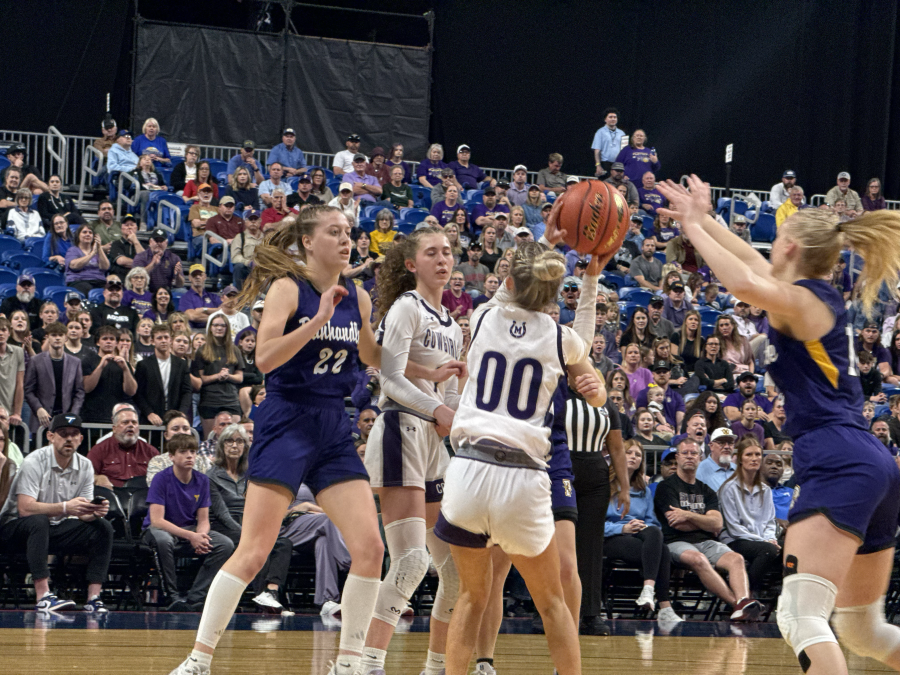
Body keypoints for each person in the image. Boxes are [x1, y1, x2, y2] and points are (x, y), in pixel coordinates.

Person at [657, 174, 900, 672]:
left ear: (787, 243)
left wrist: (693, 228)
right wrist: (703, 220)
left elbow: (745, 280)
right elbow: (749, 262)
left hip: (838, 457)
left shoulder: (808, 302)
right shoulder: (811, 294)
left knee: (798, 615)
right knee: (861, 628)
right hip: (870, 461)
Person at [167, 204, 384, 675]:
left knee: (371, 548)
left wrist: (426, 360)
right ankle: (198, 659)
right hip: (286, 419)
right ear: (308, 241)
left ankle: (348, 664)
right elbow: (264, 358)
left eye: (349, 232)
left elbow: (373, 355)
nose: (347, 240)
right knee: (254, 552)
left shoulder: (359, 297)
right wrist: (316, 319)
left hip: (333, 423)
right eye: (334, 232)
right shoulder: (288, 288)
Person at [435, 241, 604, 675]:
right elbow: (585, 345)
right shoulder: (561, 338)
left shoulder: (483, 316)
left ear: (508, 281)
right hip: (522, 477)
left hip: (468, 470)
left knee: (471, 597)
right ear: (553, 295)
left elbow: (510, 287)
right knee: (552, 603)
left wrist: (536, 245)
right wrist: (589, 278)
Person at [360, 227, 465, 675]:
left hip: (434, 441)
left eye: (447, 252)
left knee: (454, 571)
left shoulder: (454, 327)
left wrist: (463, 422)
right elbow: (389, 376)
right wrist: (439, 407)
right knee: (411, 559)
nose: (442, 259)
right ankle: (366, 662)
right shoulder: (406, 308)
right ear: (411, 264)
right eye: (431, 253)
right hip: (400, 427)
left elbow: (455, 395)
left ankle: (436, 665)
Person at [0, 414, 112, 613]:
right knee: (38, 520)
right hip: (15, 529)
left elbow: (82, 513)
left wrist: (94, 512)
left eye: (74, 434)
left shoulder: (85, 465)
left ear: (81, 439)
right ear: (50, 437)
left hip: (53, 528)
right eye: (63, 434)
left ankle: (94, 597)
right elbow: (25, 508)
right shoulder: (34, 461)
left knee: (103, 527)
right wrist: (66, 507)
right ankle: (43, 596)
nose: (69, 438)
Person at [653, 439, 760, 620]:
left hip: (706, 541)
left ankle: (743, 600)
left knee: (736, 558)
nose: (689, 457)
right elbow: (677, 524)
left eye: (693, 453)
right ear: (677, 457)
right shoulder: (666, 487)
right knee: (699, 559)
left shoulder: (707, 490)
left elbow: (717, 524)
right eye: (685, 453)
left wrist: (688, 515)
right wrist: (704, 521)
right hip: (675, 542)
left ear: (700, 458)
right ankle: (738, 605)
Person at [206, 424, 295, 614]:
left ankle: (271, 594)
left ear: (246, 447)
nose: (235, 446)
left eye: (240, 441)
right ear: (222, 446)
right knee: (256, 544)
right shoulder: (212, 476)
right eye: (230, 441)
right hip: (225, 525)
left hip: (250, 520)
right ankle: (264, 600)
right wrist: (249, 532)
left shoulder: (252, 474)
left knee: (283, 543)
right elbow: (222, 513)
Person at [143, 432, 235, 612]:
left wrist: (201, 536)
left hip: (189, 529)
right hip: (159, 529)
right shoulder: (161, 479)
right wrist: (191, 536)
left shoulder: (202, 480)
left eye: (193, 452)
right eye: (183, 452)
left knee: (225, 544)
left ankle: (196, 597)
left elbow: (204, 519)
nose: (189, 456)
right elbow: (157, 520)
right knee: (164, 540)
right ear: (171, 456)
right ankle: (172, 597)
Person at [604, 439, 683, 624]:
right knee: (662, 550)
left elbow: (652, 521)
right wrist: (623, 527)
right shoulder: (605, 485)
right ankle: (664, 605)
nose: (634, 457)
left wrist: (641, 527)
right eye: (629, 452)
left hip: (639, 537)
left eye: (638, 454)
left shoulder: (644, 490)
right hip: (611, 537)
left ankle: (649, 591)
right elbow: (597, 525)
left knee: (656, 534)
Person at [718, 437, 781, 594]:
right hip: (735, 540)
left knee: (789, 550)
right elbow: (733, 528)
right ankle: (746, 595)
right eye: (749, 455)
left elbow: (770, 521)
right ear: (740, 459)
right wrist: (765, 542)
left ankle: (774, 595)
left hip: (761, 541)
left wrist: (770, 538)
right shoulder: (729, 488)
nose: (754, 459)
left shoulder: (766, 490)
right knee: (768, 551)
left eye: (758, 454)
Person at [23, 323, 84, 433]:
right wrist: (38, 409)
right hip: (41, 420)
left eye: (60, 335)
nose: (57, 338)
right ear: (47, 338)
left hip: (65, 419)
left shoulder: (75, 362)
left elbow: (79, 392)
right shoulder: (36, 361)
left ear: (65, 337)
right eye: (54, 335)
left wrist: (73, 414)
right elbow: (28, 390)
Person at [193, 316, 244, 437]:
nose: (219, 328)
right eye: (216, 325)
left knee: (234, 438)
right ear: (210, 328)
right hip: (209, 401)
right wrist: (217, 376)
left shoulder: (234, 350)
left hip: (231, 400)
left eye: (222, 325)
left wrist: (228, 376)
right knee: (210, 440)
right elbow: (200, 380)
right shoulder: (202, 351)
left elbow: (240, 377)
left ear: (227, 328)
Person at [135, 324, 193, 425]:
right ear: (152, 341)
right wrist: (149, 413)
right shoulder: (143, 365)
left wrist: (181, 412)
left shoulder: (181, 364)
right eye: (159, 338)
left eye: (166, 337)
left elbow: (187, 391)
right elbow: (138, 394)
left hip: (175, 417)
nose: (163, 340)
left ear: (170, 340)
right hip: (150, 419)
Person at [88, 407, 159, 488]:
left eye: (134, 422)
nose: (131, 425)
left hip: (142, 497)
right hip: (112, 496)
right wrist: (97, 478)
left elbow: (163, 478)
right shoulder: (99, 450)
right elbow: (86, 476)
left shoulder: (151, 452)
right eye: (125, 422)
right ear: (114, 428)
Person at [80, 325, 138, 424]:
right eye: (105, 339)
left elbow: (131, 391)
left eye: (112, 339)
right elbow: (87, 388)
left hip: (116, 417)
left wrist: (125, 369)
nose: (108, 341)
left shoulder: (122, 363)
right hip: (92, 417)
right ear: (98, 342)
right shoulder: (88, 360)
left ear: (116, 343)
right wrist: (100, 366)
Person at [65, 226, 110, 294]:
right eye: (84, 232)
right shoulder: (73, 250)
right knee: (88, 289)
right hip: (79, 281)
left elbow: (105, 267)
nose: (88, 234)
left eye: (90, 232)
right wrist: (92, 254)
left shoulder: (98, 251)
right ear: (78, 236)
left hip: (99, 281)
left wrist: (99, 247)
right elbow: (74, 266)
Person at [179, 265, 221, 331]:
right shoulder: (185, 298)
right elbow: (192, 316)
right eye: (194, 275)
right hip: (194, 332)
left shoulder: (213, 297)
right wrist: (215, 316)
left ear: (205, 277)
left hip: (212, 331)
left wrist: (204, 309)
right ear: (190, 277)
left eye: (200, 275)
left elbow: (223, 312)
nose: (197, 277)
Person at [230, 210, 264, 290]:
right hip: (247, 267)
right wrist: (248, 262)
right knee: (238, 267)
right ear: (246, 222)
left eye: (255, 219)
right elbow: (235, 257)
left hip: (262, 267)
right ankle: (240, 294)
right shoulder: (240, 237)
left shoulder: (266, 238)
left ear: (260, 221)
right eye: (250, 219)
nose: (253, 222)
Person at [591, 107, 625, 177]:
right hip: (605, 163)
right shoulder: (600, 132)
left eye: (615, 117)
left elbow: (625, 151)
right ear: (605, 119)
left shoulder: (622, 133)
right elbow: (597, 150)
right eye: (610, 117)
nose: (613, 119)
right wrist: (598, 165)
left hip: (618, 164)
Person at [761, 452, 793, 522]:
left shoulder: (791, 492)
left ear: (783, 471)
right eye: (769, 463)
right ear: (760, 468)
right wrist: (776, 522)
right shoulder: (753, 491)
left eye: (779, 465)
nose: (774, 466)